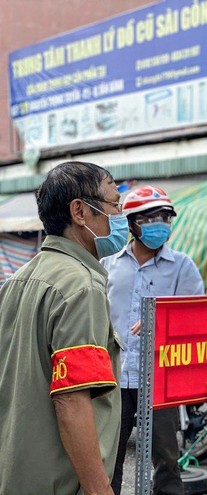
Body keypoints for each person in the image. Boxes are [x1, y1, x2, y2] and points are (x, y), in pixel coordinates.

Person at [0, 161, 126, 494]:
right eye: (115, 205)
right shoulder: (81, 287)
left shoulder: (16, 281)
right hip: (60, 482)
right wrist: (100, 490)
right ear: (80, 212)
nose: (120, 217)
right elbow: (72, 401)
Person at [102, 185, 204, 495]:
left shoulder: (182, 267)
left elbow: (195, 318)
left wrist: (162, 321)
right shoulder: (108, 264)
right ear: (131, 223)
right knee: (108, 456)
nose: (160, 223)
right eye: (150, 217)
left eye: (165, 217)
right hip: (114, 378)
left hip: (160, 379)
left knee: (166, 457)